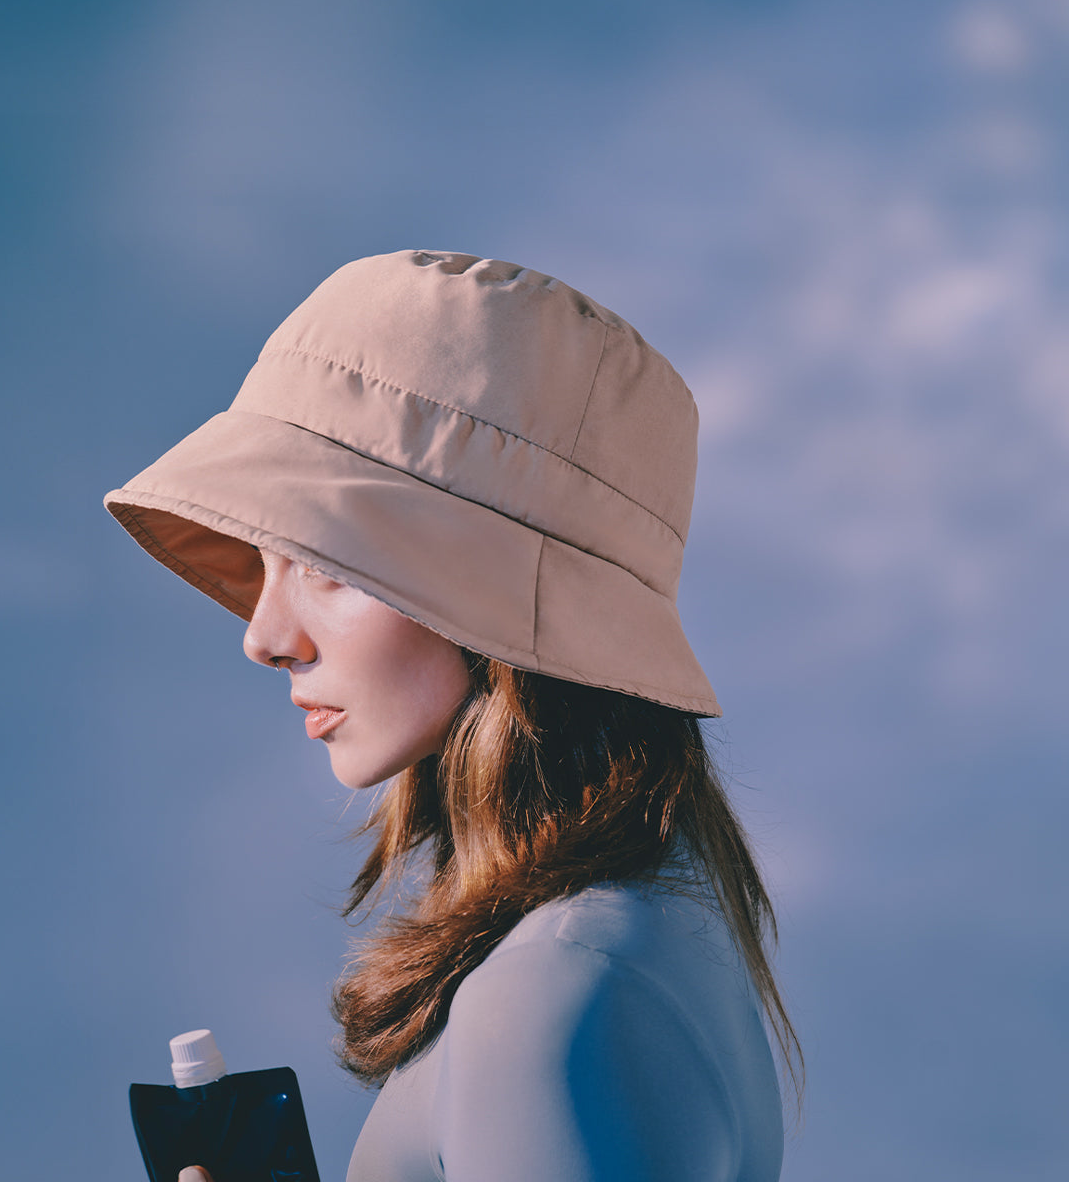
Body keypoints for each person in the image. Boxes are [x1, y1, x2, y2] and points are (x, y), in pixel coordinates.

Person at [105, 249, 802, 1181]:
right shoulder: (640, 937)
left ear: (487, 594)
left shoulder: (557, 991)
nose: (264, 637)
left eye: (323, 560)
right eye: (263, 561)